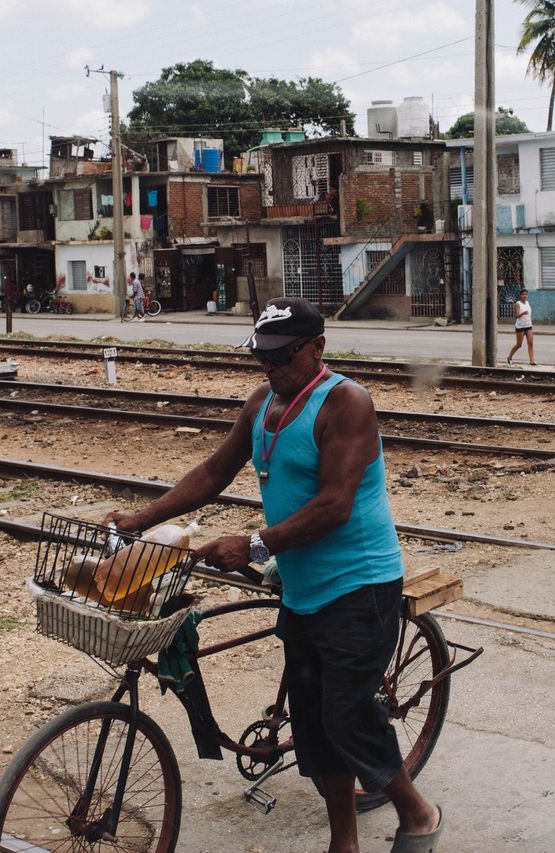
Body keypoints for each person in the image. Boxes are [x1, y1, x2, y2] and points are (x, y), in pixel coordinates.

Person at [105, 297, 443, 853]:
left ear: (317, 348)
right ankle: (345, 841)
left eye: (284, 356)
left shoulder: (347, 403)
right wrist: (143, 517)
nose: (272, 367)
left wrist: (256, 543)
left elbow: (335, 504)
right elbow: (215, 471)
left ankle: (418, 812)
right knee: (312, 721)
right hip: (304, 586)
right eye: (262, 357)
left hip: (360, 584)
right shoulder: (263, 401)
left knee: (346, 713)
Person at [506, 288, 536, 366]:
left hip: (528, 325)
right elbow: (516, 316)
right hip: (520, 327)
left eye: (526, 294)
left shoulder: (527, 303)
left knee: (530, 343)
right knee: (519, 344)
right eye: (523, 294)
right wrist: (522, 314)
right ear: (520, 295)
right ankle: (509, 357)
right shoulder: (518, 304)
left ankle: (532, 361)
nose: (525, 296)